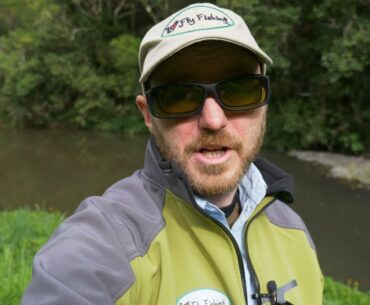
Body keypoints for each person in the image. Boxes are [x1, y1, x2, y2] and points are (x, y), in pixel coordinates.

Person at [22, 3, 323, 305]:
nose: (214, 120)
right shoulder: (111, 239)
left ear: (263, 102)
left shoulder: (295, 232)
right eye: (179, 97)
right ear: (148, 114)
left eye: (240, 90)